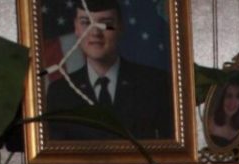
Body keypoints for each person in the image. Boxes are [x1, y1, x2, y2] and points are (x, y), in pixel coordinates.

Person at [45, 4, 174, 141]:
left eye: (105, 23)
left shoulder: (155, 84)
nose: (95, 32)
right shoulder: (60, 93)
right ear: (76, 28)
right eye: (85, 22)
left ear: (120, 27)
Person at [204, 74, 239, 149]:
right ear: (222, 99)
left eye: (238, 97)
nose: (232, 102)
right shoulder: (210, 124)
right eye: (229, 96)